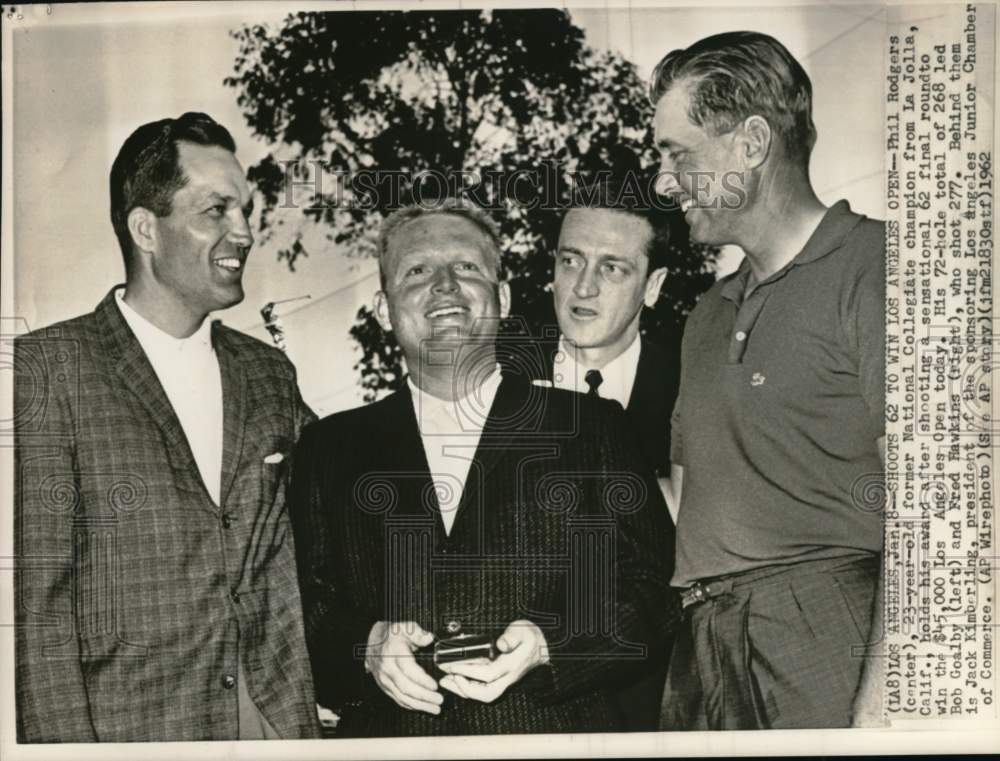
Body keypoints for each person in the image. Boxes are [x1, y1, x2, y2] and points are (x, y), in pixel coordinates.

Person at [287, 199, 679, 736]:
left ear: (504, 297)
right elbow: (303, 609)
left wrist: (549, 643)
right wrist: (368, 647)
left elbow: (654, 591)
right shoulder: (327, 448)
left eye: (467, 267)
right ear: (384, 309)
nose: (445, 285)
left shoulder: (592, 428)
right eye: (418, 270)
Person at [14, 112, 320, 741]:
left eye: (246, 211)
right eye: (216, 212)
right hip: (134, 733)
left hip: (275, 724)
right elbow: (36, 613)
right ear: (145, 229)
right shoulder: (47, 370)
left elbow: (341, 503)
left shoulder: (268, 375)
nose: (243, 233)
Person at [650, 31, 886, 729]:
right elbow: (687, 499)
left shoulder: (879, 267)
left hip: (822, 632)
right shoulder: (702, 318)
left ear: (751, 143)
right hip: (700, 644)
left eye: (677, 153)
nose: (663, 181)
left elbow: (940, 513)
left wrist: (881, 709)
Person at [523, 181, 681, 729]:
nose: (583, 286)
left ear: (653, 285)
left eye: (612, 268)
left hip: (656, 702)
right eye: (571, 260)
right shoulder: (494, 377)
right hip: (522, 700)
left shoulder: (694, 387)